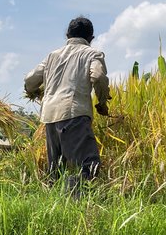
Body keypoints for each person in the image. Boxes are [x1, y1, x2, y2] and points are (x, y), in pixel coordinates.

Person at [24, 16, 111, 196]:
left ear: (67, 35)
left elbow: (30, 80)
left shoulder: (52, 56)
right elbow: (99, 77)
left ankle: (56, 207)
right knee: (88, 165)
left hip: (49, 117)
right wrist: (102, 103)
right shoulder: (92, 54)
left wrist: (32, 91)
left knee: (56, 168)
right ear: (91, 38)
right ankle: (78, 205)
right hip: (74, 114)